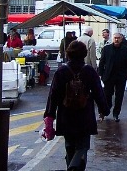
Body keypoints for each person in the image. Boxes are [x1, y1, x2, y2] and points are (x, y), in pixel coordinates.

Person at [43, 40, 109, 171]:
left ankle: (71, 166)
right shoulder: (89, 71)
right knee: (82, 147)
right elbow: (98, 92)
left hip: (66, 114)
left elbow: (53, 95)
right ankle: (73, 167)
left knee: (69, 146)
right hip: (84, 114)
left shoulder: (61, 71)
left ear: (68, 54)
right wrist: (104, 109)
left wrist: (49, 115)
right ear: (84, 54)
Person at [98, 32, 127, 122]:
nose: (116, 40)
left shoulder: (125, 49)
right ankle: (104, 111)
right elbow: (102, 62)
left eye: (118, 38)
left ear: (121, 39)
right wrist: (100, 74)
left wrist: (126, 74)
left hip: (120, 76)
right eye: (115, 38)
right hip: (108, 76)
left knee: (119, 96)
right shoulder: (106, 49)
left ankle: (116, 113)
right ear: (113, 39)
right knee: (107, 95)